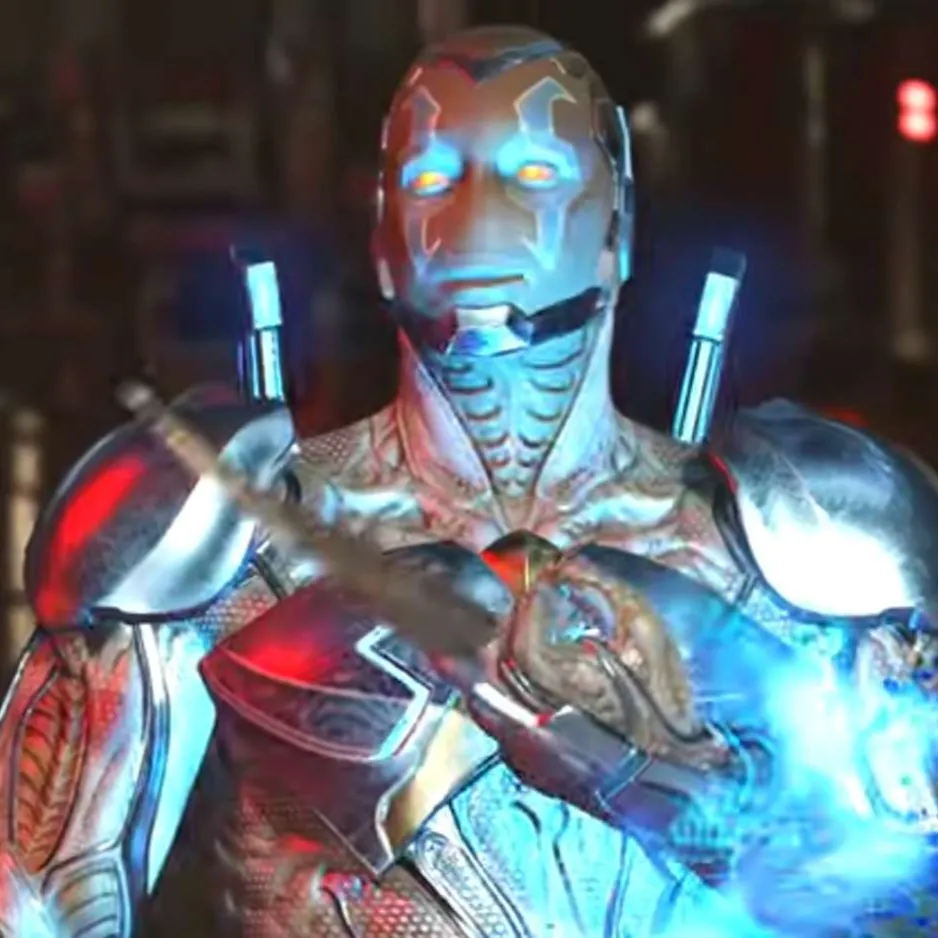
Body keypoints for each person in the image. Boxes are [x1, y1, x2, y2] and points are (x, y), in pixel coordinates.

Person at [3, 25, 938, 938]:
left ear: (617, 228)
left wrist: (705, 790)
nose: (477, 213)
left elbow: (907, 889)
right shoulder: (210, 543)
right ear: (383, 239)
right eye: (430, 178)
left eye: (533, 172)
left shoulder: (814, 552)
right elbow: (35, 899)